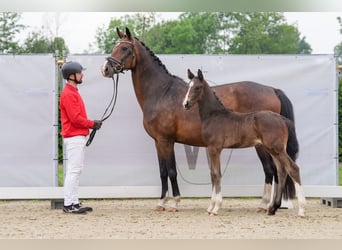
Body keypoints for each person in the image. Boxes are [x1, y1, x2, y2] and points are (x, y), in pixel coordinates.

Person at [60, 61, 102, 214]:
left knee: (77, 170)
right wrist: (92, 124)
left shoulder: (73, 92)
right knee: (74, 170)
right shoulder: (69, 94)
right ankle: (68, 204)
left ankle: (74, 201)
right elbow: (75, 118)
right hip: (74, 136)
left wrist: (91, 124)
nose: (82, 74)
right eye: (79, 72)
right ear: (72, 76)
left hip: (78, 136)